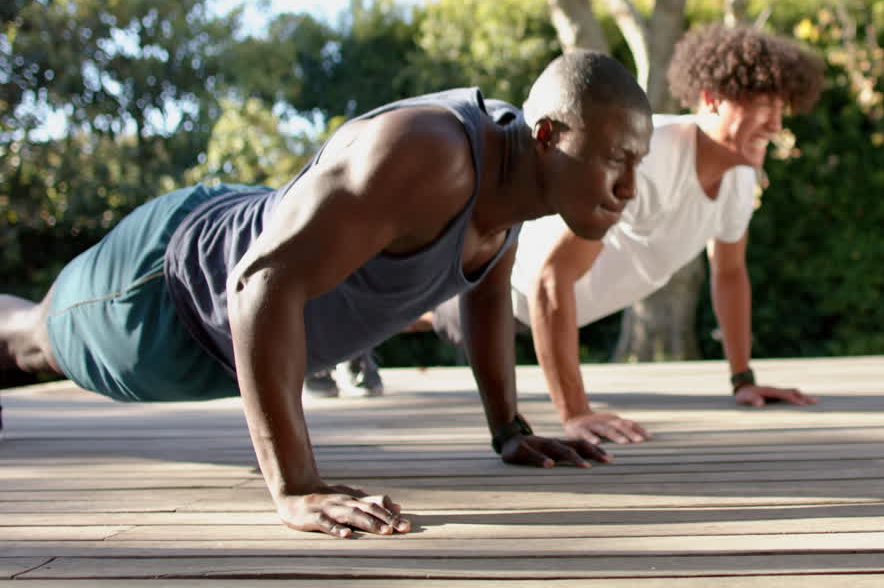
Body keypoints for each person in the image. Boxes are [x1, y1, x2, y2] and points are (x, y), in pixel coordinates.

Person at [0, 50, 653, 536]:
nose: (628, 185)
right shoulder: (428, 152)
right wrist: (296, 488)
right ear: (548, 135)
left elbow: (481, 294)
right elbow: (259, 283)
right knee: (31, 344)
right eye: (615, 157)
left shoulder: (514, 192)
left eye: (638, 164)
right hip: (164, 293)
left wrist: (509, 430)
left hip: (242, 307)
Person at [430, 24, 825, 445]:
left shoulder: (740, 180)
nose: (777, 124)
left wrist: (743, 379)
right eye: (764, 107)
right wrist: (575, 413)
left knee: (420, 312)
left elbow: (729, 273)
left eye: (782, 108)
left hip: (561, 310)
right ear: (712, 99)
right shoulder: (649, 157)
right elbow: (550, 279)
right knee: (426, 309)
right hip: (511, 287)